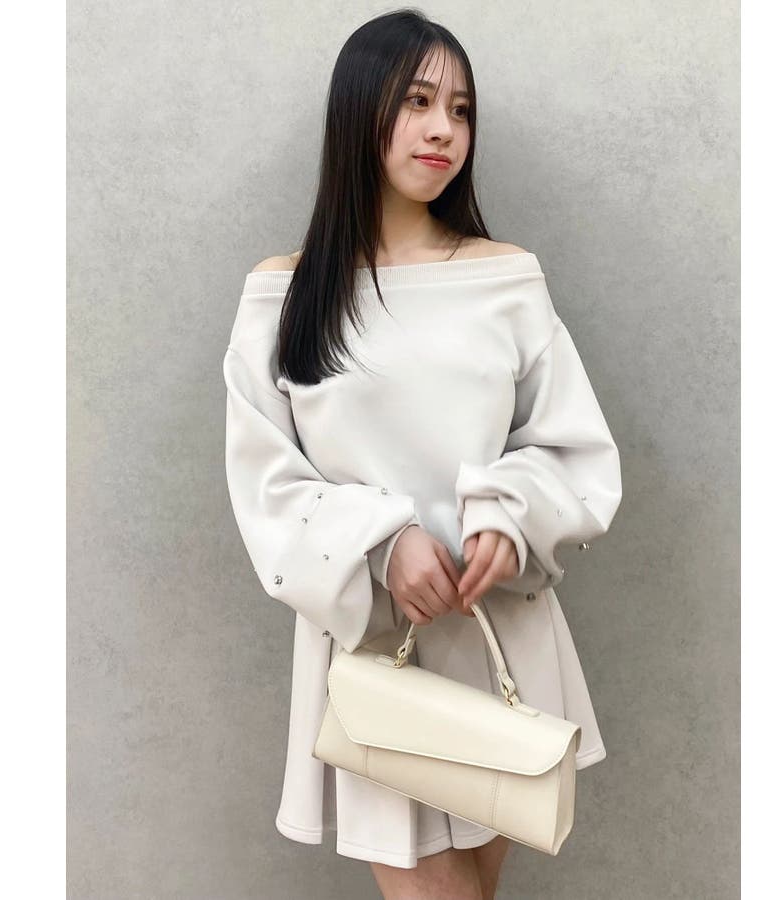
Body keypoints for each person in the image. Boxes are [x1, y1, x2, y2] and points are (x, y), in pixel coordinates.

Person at [223, 9, 622, 900]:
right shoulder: (283, 295)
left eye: (461, 109)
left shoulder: (505, 276)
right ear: (357, 109)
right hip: (375, 657)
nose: (444, 128)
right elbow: (265, 484)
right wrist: (383, 539)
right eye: (417, 101)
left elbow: (572, 448)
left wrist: (507, 520)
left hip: (501, 637)